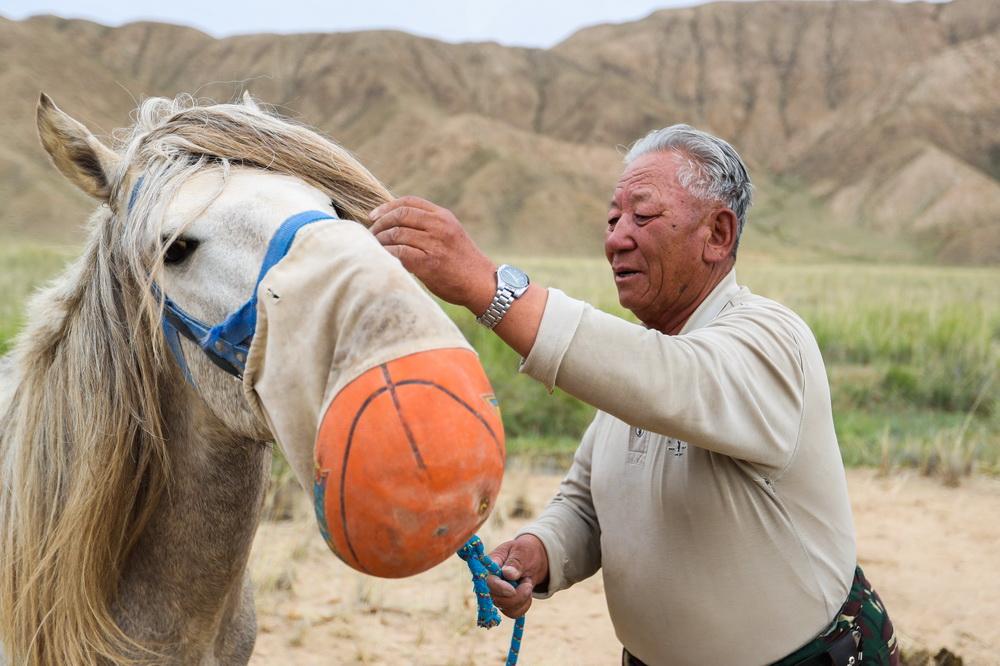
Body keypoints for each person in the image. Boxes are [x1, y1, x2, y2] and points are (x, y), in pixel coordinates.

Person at [369, 125, 899, 665]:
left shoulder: (769, 340)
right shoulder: (640, 370)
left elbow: (667, 380)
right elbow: (589, 506)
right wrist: (538, 553)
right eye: (612, 219)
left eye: (642, 217)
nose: (616, 238)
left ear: (717, 234)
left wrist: (486, 285)